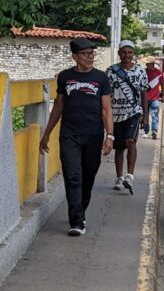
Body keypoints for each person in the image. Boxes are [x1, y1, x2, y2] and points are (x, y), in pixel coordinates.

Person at [40, 38, 113, 237]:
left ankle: (80, 209)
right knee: (72, 175)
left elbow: (106, 109)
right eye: (86, 54)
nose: (90, 57)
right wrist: (46, 133)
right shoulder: (65, 77)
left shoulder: (100, 78)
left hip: (93, 135)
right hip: (69, 134)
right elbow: (59, 106)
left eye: (92, 54)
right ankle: (77, 221)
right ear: (75, 57)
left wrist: (110, 136)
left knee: (88, 176)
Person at [106, 40, 147, 194]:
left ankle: (129, 175)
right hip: (115, 114)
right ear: (119, 53)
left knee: (131, 140)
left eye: (130, 52)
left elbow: (144, 94)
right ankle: (119, 177)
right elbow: (106, 95)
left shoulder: (140, 72)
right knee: (119, 148)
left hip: (133, 112)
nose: (127, 55)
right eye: (124, 52)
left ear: (133, 53)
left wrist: (145, 116)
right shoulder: (110, 71)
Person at [143, 56, 164, 139]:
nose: (148, 65)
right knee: (145, 115)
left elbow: (162, 84)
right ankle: (146, 130)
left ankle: (154, 130)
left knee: (154, 115)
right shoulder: (143, 72)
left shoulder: (158, 73)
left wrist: (163, 96)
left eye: (150, 63)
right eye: (147, 63)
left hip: (155, 98)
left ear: (153, 64)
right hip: (145, 98)